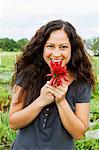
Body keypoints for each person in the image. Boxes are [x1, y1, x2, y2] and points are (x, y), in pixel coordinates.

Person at [9, 19, 95, 150]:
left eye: (63, 47)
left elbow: (78, 133)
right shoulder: (27, 75)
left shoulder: (81, 82)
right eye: (50, 46)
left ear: (73, 49)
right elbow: (13, 123)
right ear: (42, 47)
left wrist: (61, 101)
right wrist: (41, 101)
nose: (56, 53)